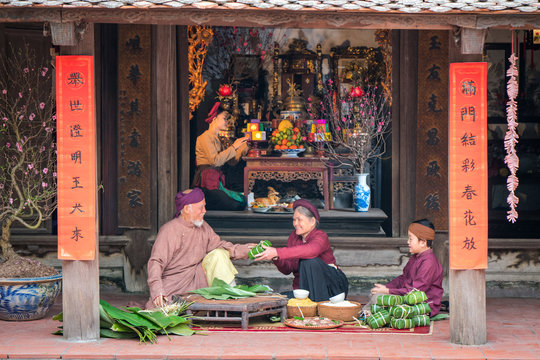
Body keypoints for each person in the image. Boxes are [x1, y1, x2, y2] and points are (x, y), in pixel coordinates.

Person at [146, 188, 256, 309]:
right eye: (200, 207)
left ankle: (233, 301)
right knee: (167, 311)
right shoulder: (169, 230)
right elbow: (156, 262)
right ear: (187, 209)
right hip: (174, 286)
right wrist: (157, 291)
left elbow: (221, 247)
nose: (204, 211)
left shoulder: (204, 227)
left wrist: (248, 250)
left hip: (198, 282)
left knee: (219, 254)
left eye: (204, 206)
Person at [254, 199, 349, 302]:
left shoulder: (321, 236)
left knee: (308, 261)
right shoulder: (294, 237)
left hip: (332, 288)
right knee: (277, 301)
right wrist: (275, 257)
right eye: (294, 220)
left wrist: (278, 251)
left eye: (299, 220)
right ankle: (309, 303)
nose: (295, 224)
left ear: (312, 221)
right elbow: (287, 269)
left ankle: (318, 305)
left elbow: (312, 250)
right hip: (306, 289)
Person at [363, 218, 443, 316]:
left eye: (411, 239)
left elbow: (415, 292)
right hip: (408, 297)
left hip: (423, 304)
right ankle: (367, 311)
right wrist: (386, 287)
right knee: (373, 293)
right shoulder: (416, 257)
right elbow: (403, 278)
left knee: (377, 298)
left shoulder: (429, 262)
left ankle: (367, 312)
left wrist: (387, 291)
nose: (408, 242)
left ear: (423, 242)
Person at [193, 102, 249, 210]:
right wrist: (233, 146)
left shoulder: (218, 139)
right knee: (237, 205)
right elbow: (215, 161)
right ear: (214, 119)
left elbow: (231, 162)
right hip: (206, 185)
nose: (227, 122)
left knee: (243, 200)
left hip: (216, 183)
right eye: (224, 118)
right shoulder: (205, 137)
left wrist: (242, 147)